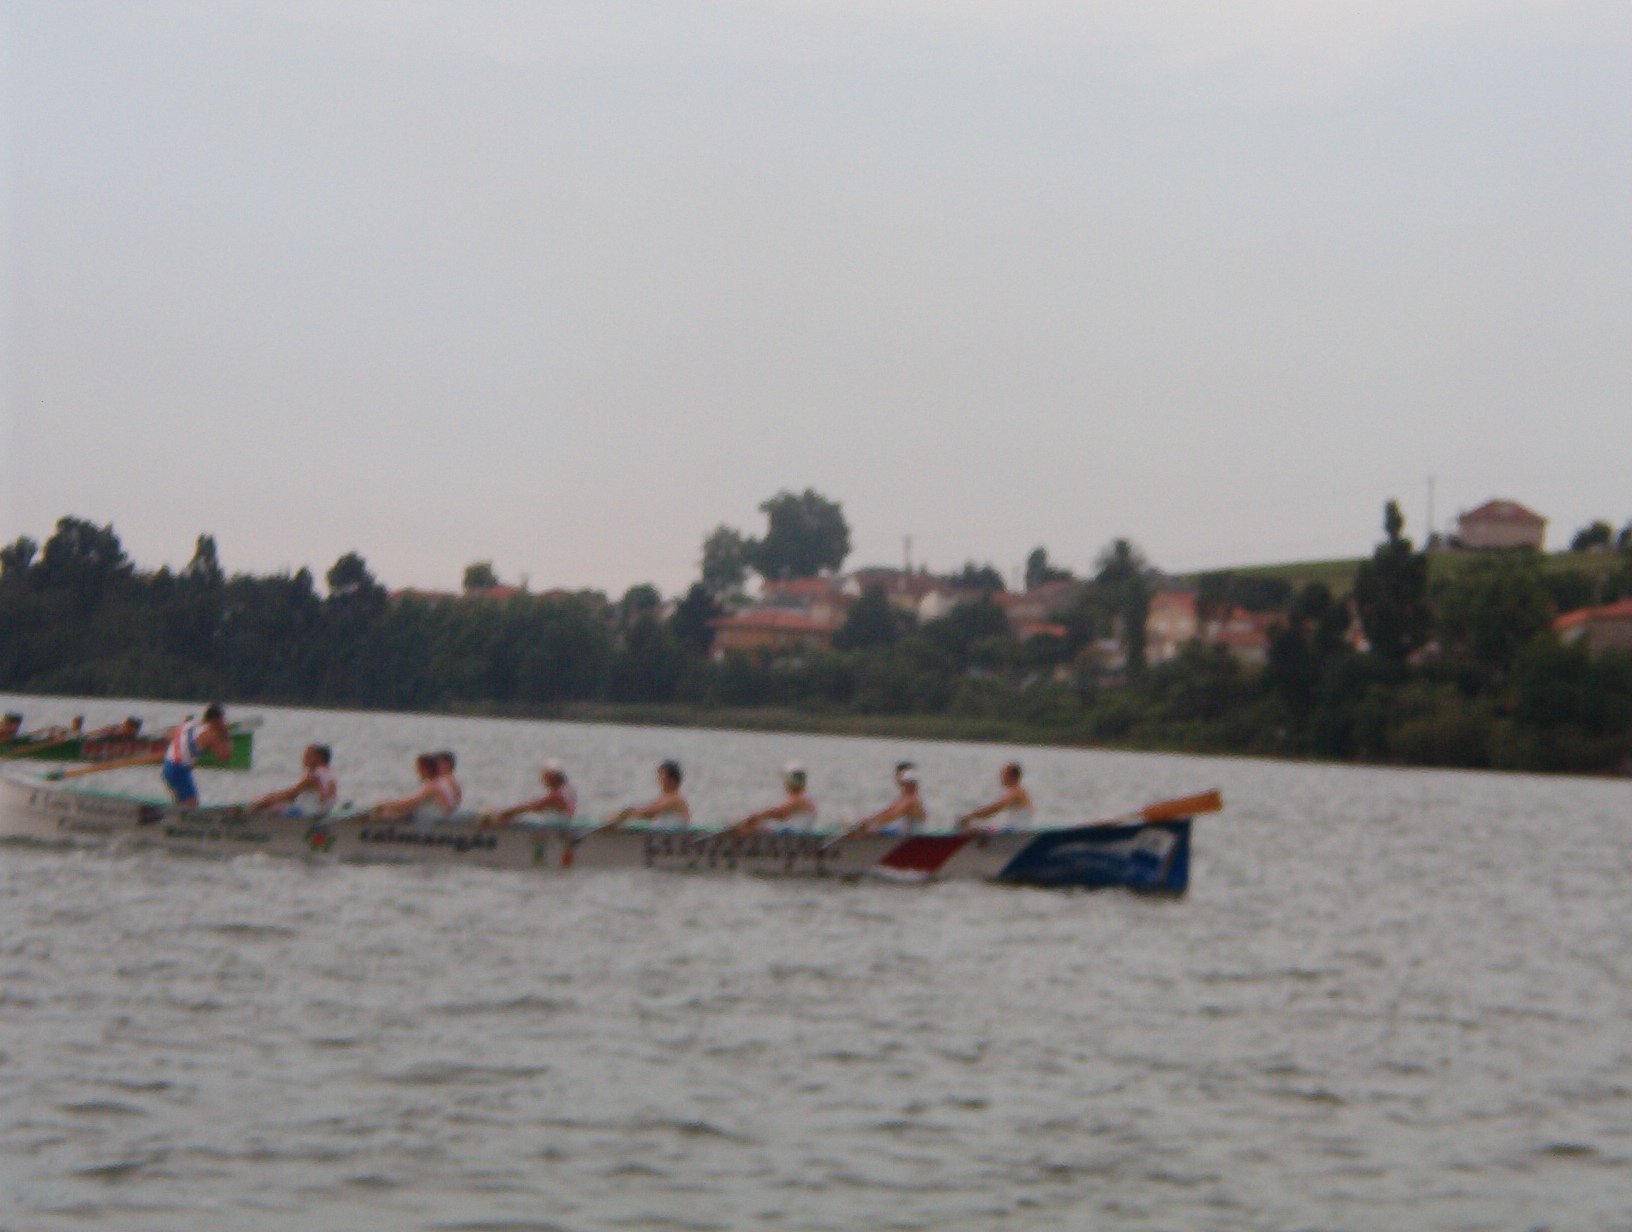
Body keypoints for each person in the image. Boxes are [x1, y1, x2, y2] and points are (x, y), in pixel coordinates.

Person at [160, 704, 234, 807]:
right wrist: (226, 734)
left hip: (168, 766)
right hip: (179, 769)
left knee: (180, 803)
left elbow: (169, 735)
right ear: (216, 720)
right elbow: (225, 757)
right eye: (222, 719)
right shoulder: (209, 734)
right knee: (192, 804)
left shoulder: (190, 723)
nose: (224, 722)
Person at [483, 759, 578, 827]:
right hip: (562, 824)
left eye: (545, 776)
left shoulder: (556, 795)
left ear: (552, 777)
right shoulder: (568, 790)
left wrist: (504, 813)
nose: (542, 780)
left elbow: (533, 806)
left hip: (557, 829)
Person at [371, 753, 461, 824]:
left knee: (387, 812)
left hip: (434, 819)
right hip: (440, 815)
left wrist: (385, 805)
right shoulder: (443, 783)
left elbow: (410, 803)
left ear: (425, 769)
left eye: (419, 769)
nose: (417, 772)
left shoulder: (433, 786)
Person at [253, 744, 339, 818]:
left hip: (307, 815)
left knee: (270, 808)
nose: (303, 758)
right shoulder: (330, 776)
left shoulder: (313, 776)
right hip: (323, 813)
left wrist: (263, 802)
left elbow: (289, 795)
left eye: (307, 755)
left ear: (318, 758)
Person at [729, 763, 816, 835]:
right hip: (790, 833)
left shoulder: (799, 799)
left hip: (791, 836)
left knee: (749, 828)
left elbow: (779, 813)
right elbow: (780, 815)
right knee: (754, 825)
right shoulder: (804, 798)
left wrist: (755, 817)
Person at [609, 760, 690, 829]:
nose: (658, 780)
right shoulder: (663, 798)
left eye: (661, 776)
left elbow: (648, 813)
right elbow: (647, 809)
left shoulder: (675, 798)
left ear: (672, 780)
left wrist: (627, 813)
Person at [956, 762, 1035, 832]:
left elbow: (995, 808)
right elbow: (993, 810)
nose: (1001, 777)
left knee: (971, 824)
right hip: (1014, 829)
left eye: (1003, 774)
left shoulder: (1016, 792)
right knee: (976, 824)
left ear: (1012, 776)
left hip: (1015, 831)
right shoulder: (1019, 791)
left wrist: (971, 816)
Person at [853, 765, 927, 837]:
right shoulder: (905, 797)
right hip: (902, 834)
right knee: (862, 830)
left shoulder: (910, 799)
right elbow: (888, 811)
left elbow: (891, 815)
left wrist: (869, 823)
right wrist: (867, 820)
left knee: (862, 833)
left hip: (908, 839)